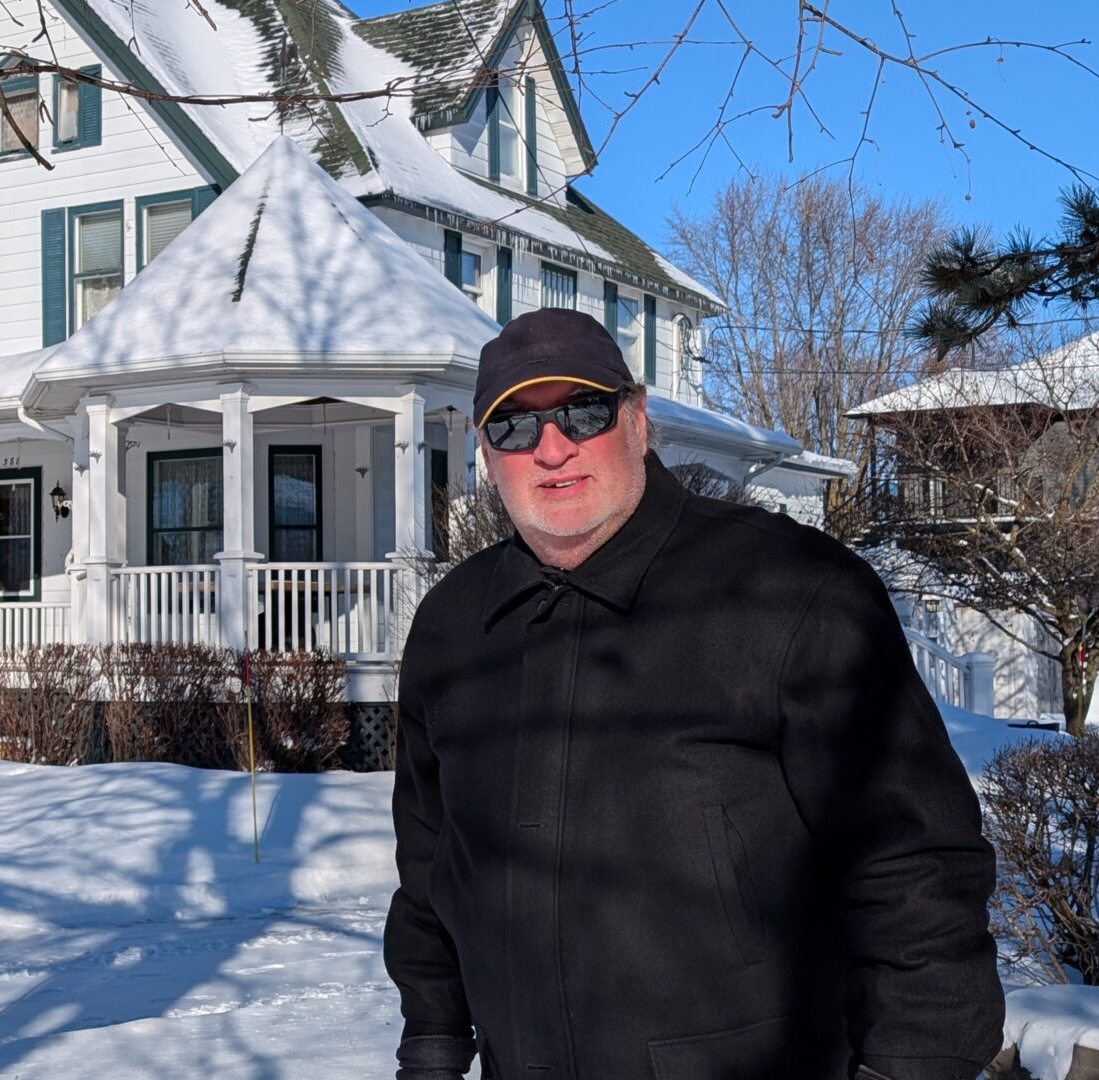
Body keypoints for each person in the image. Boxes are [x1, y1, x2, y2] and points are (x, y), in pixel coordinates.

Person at [385, 308, 1002, 1080]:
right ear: (485, 454)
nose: (551, 448)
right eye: (512, 426)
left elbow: (916, 867)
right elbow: (432, 866)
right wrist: (434, 1049)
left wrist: (912, 1066)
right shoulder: (453, 626)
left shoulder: (788, 592)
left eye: (583, 411)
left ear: (638, 420)